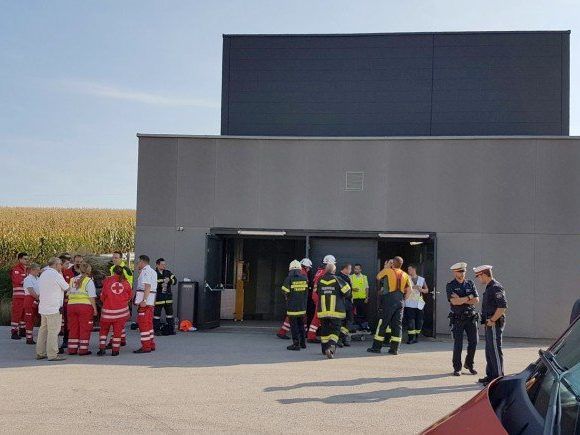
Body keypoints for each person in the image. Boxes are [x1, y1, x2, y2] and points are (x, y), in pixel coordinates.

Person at [368, 256, 411, 355]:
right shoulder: (405, 274)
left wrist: (386, 267)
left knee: (383, 323)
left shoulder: (388, 271)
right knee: (397, 325)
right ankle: (394, 349)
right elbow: (410, 290)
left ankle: (376, 347)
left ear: (393, 264)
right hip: (400, 300)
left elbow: (378, 276)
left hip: (389, 299)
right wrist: (404, 300)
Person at [475, 265, 508, 386]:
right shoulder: (489, 287)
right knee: (489, 350)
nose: (478, 279)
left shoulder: (495, 287)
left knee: (495, 349)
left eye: (478, 276)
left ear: (484, 274)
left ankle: (498, 378)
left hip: (494, 323)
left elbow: (502, 307)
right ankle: (491, 375)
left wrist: (493, 320)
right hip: (489, 323)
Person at [447, 262, 479, 377]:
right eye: (460, 271)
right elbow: (454, 302)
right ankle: (457, 368)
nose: (462, 273)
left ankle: (469, 364)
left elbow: (476, 300)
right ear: (454, 272)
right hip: (458, 318)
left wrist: (462, 299)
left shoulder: (470, 283)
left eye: (463, 271)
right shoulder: (450, 285)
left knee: (474, 342)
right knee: (458, 344)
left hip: (471, 317)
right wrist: (469, 297)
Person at [36, 257, 69, 361]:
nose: (61, 266)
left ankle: (40, 352)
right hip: (54, 307)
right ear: (55, 265)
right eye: (60, 264)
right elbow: (66, 287)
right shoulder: (56, 274)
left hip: (43, 307)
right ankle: (52, 354)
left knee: (43, 330)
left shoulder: (43, 274)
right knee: (53, 331)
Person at [316, 262, 351, 359]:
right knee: (335, 330)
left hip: (323, 310)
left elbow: (317, 291)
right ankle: (331, 348)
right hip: (336, 311)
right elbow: (347, 292)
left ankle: (324, 349)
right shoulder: (338, 279)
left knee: (325, 330)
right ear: (334, 271)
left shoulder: (320, 280)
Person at [98, 266, 133, 356]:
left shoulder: (107, 281)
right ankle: (115, 350)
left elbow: (102, 296)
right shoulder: (125, 282)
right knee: (117, 331)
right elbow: (130, 296)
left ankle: (102, 348)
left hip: (108, 312)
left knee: (104, 330)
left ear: (113, 272)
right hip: (121, 313)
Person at [276, 258, 312, 339]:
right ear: (305, 266)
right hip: (299, 300)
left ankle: (284, 332)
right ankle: (301, 334)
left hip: (294, 299)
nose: (309, 269)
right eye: (309, 267)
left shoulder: (298, 273)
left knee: (293, 316)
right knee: (299, 317)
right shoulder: (303, 274)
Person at [66, 262, 98, 356]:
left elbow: (68, 293)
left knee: (73, 328)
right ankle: (83, 350)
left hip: (71, 306)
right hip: (84, 307)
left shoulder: (72, 280)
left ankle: (72, 349)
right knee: (85, 328)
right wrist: (95, 309)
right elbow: (91, 297)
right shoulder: (88, 281)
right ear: (89, 270)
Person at [281, 260, 309, 351]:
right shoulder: (304, 278)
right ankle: (303, 343)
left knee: (294, 327)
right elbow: (306, 292)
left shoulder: (289, 279)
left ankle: (296, 344)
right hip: (302, 306)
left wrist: (287, 297)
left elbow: (285, 291)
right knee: (301, 325)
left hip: (292, 307)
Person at [308, 255, 336, 342]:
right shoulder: (324, 272)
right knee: (318, 316)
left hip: (316, 295)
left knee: (319, 316)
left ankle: (312, 335)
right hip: (320, 296)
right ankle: (311, 336)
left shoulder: (319, 271)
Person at [134, 255, 158, 354]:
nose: (137, 264)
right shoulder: (153, 271)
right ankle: (151, 344)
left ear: (142, 262)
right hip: (150, 302)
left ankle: (146, 346)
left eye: (138, 262)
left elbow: (147, 286)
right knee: (149, 324)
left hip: (145, 303)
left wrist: (144, 300)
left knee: (143, 325)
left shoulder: (145, 271)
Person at [109, 251, 134, 340]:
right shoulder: (112, 268)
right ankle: (121, 338)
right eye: (113, 257)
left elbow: (129, 284)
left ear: (121, 259)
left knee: (117, 319)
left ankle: (115, 339)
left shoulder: (126, 269)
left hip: (122, 297)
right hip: (115, 297)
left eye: (116, 258)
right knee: (118, 319)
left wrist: (127, 298)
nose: (114, 259)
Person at [404, 264, 429, 344]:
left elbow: (427, 290)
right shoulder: (406, 278)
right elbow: (403, 289)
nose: (408, 271)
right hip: (409, 303)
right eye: (408, 270)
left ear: (414, 269)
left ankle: (417, 337)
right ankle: (411, 338)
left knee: (419, 321)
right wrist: (412, 288)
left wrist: (421, 289)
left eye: (409, 269)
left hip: (418, 304)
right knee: (410, 321)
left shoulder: (421, 279)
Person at [154, 258, 177, 335]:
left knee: (170, 315)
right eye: (162, 264)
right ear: (157, 265)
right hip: (159, 298)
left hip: (168, 299)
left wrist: (169, 281)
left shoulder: (168, 272)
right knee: (156, 316)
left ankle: (171, 330)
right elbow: (152, 284)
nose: (164, 266)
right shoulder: (154, 273)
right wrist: (162, 282)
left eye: (165, 264)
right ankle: (157, 330)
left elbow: (175, 280)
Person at [10, 252, 29, 339]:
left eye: (27, 259)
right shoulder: (16, 269)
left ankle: (22, 330)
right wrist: (28, 280)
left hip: (25, 296)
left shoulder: (27, 269)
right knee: (17, 314)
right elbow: (18, 280)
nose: (26, 260)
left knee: (24, 314)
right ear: (20, 259)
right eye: (25, 259)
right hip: (18, 297)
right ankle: (14, 332)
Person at [58, 253, 75, 353]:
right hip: (58, 301)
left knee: (68, 322)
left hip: (67, 300)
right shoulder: (55, 273)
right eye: (66, 263)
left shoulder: (69, 272)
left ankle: (66, 340)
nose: (68, 265)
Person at [23, 263, 41, 344]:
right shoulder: (28, 279)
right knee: (29, 319)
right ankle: (29, 338)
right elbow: (31, 290)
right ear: (32, 270)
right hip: (30, 300)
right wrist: (38, 298)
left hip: (37, 300)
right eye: (37, 270)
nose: (39, 271)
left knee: (39, 318)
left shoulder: (38, 278)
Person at [336, 263, 354, 347]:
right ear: (345, 269)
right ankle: (340, 338)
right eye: (350, 269)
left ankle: (342, 338)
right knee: (346, 321)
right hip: (344, 302)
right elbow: (345, 291)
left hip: (346, 302)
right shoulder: (340, 277)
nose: (351, 271)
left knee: (347, 321)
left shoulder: (345, 277)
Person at [350, 263, 370, 331]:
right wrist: (353, 289)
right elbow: (348, 287)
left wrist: (367, 297)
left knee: (363, 314)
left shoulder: (364, 277)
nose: (356, 270)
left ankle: (363, 327)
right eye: (355, 269)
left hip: (362, 299)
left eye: (358, 269)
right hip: (354, 299)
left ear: (360, 270)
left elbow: (367, 288)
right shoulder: (351, 277)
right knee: (354, 314)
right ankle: (356, 327)